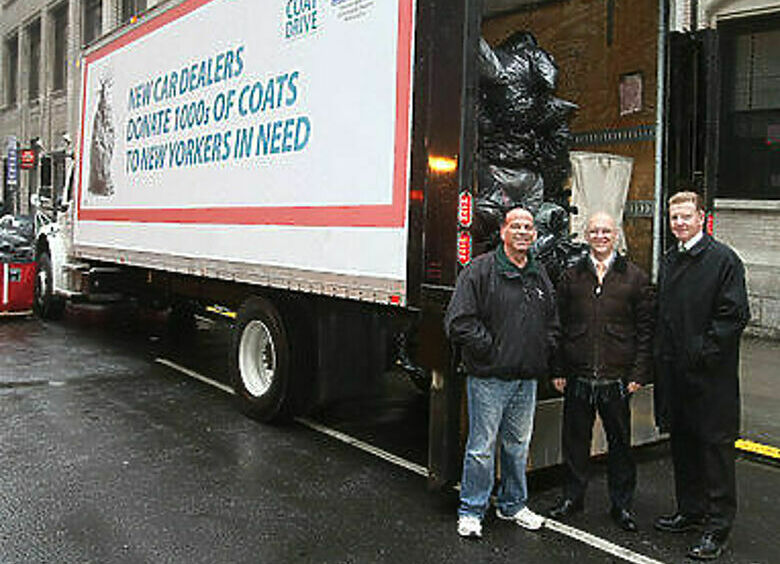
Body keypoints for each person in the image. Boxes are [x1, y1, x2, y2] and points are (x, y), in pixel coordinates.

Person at [445, 207, 559, 539]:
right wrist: (492, 350)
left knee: (517, 446)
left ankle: (513, 505)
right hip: (489, 379)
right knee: (481, 447)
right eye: (516, 226)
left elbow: (552, 320)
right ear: (504, 232)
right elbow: (458, 322)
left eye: (529, 227)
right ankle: (471, 510)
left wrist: (542, 348)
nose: (523, 232)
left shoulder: (539, 275)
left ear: (535, 235)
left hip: (526, 380)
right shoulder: (479, 271)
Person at [653, 191, 750, 560]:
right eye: (674, 217)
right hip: (677, 377)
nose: (679, 223)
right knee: (684, 447)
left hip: (711, 381)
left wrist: (700, 356)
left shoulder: (723, 260)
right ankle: (690, 512)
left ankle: (717, 528)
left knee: (715, 453)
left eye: (685, 216)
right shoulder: (671, 260)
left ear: (702, 218)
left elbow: (732, 317)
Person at [548, 212, 654, 532]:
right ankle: (573, 497)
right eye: (594, 231)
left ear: (617, 235)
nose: (600, 236)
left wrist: (638, 373)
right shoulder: (570, 276)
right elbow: (558, 326)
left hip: (617, 378)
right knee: (575, 442)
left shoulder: (635, 277)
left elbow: (646, 330)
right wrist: (558, 369)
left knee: (620, 445)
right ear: (586, 235)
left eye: (606, 231)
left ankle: (621, 505)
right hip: (578, 375)